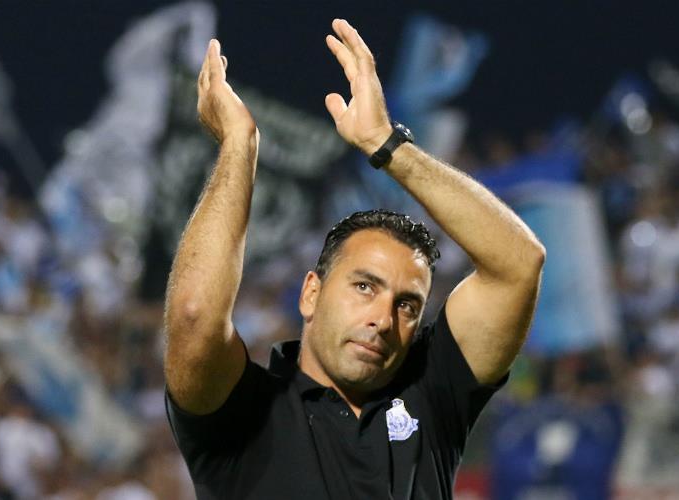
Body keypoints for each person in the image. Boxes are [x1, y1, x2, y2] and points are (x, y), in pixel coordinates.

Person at [162, 19, 545, 499]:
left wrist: (388, 145)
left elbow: (519, 263)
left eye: (407, 305)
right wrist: (239, 145)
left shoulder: (432, 394)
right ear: (311, 293)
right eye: (364, 286)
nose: (382, 319)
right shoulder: (245, 411)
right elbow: (194, 316)